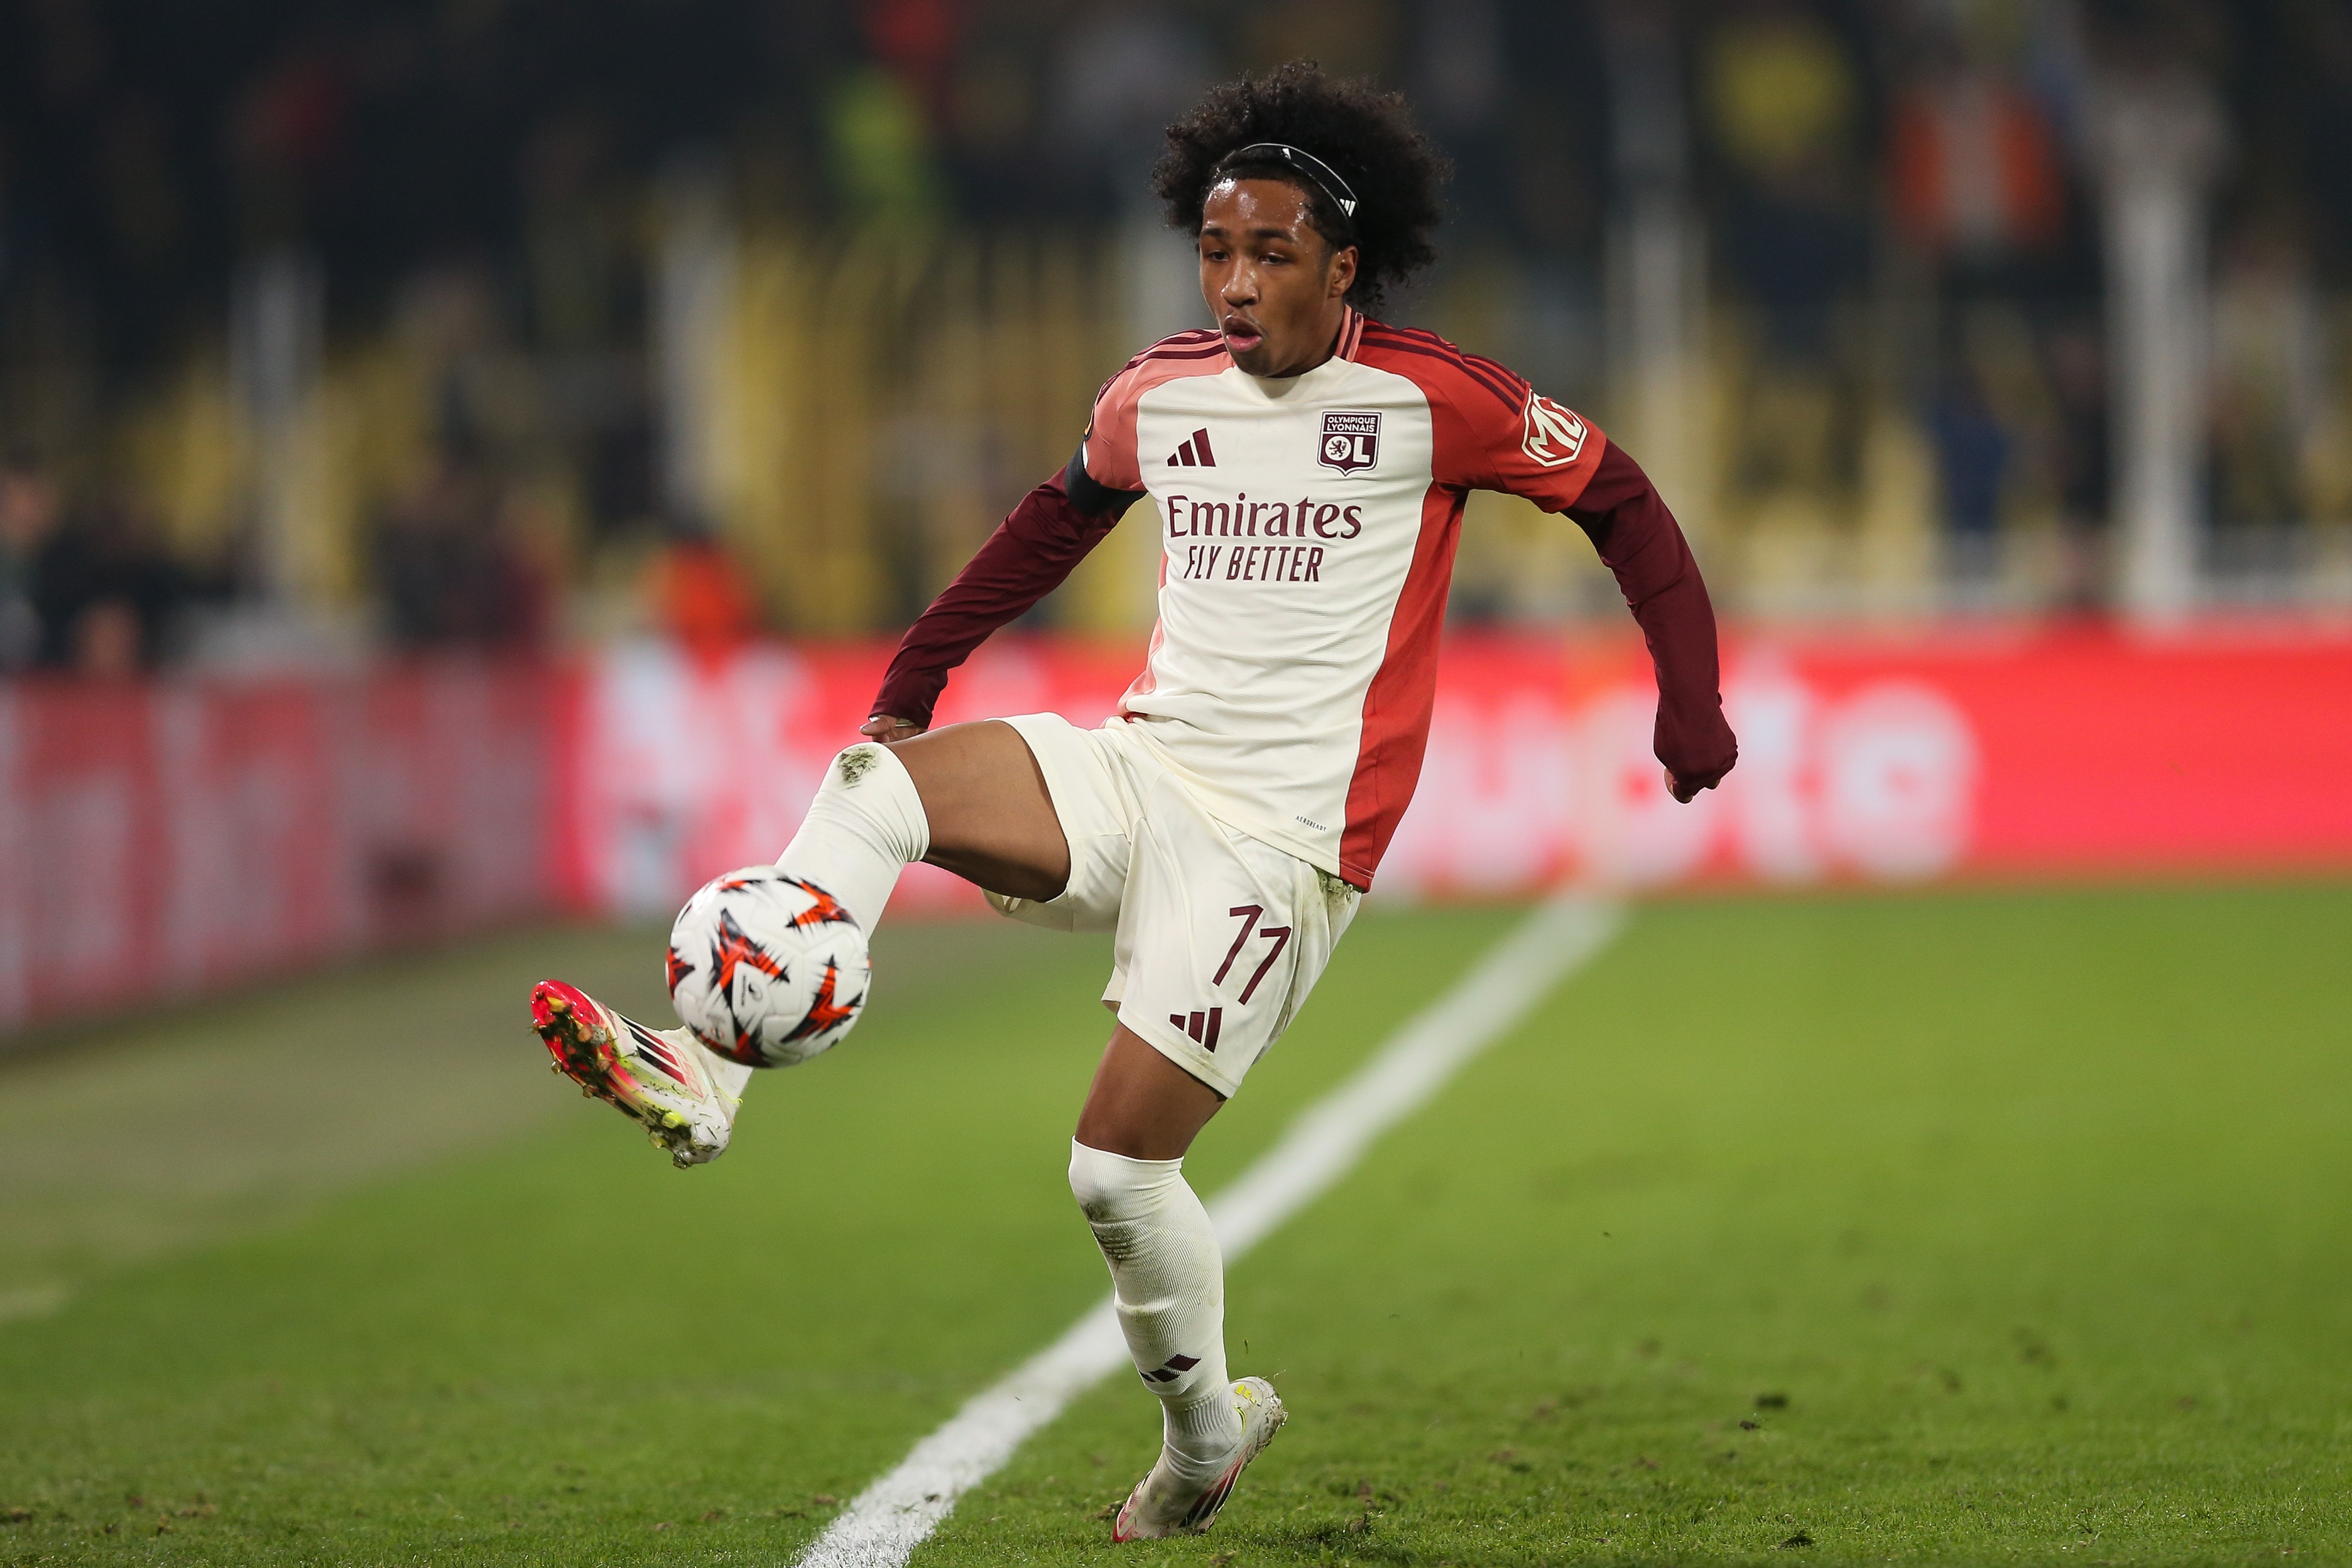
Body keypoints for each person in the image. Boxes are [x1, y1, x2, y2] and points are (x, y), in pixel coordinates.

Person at [527, 62, 1736, 1541]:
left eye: (1271, 254)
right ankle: (707, 1080)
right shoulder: (1158, 394)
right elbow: (1049, 526)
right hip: (1142, 769)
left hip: (1281, 848)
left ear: (1343, 266)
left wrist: (1689, 698)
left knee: (1113, 1173)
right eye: (1216, 251)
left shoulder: (1435, 400)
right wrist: (917, 675)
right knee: (875, 784)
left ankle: (1205, 1437)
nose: (1236, 283)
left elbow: (1620, 497)